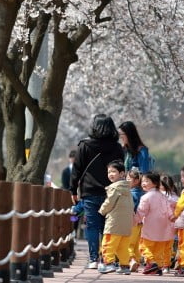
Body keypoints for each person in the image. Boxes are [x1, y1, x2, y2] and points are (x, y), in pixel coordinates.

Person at [69, 114, 124, 269]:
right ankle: (108, 258)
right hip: (112, 192)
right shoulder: (117, 147)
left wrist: (73, 190)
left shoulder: (84, 145)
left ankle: (94, 259)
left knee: (92, 226)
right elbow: (121, 170)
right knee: (109, 226)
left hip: (90, 192)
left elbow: (76, 170)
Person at [97, 161, 134, 274]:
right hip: (126, 223)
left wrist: (102, 211)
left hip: (114, 222)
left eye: (113, 171)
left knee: (108, 243)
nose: (110, 174)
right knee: (122, 246)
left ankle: (108, 263)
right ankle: (124, 266)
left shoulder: (114, 188)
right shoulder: (127, 188)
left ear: (122, 174)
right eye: (109, 172)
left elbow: (109, 202)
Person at [136, 172, 174, 276]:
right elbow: (169, 210)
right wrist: (172, 218)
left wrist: (135, 220)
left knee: (144, 246)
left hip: (150, 227)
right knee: (158, 249)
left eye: (146, 181)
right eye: (143, 181)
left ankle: (152, 263)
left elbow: (141, 211)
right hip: (163, 228)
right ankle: (157, 267)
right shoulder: (163, 196)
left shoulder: (146, 197)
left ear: (155, 183)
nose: (143, 183)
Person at [159, 173, 179, 272]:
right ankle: (166, 265)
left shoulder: (158, 196)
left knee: (158, 246)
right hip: (172, 226)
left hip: (159, 225)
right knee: (168, 247)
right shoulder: (175, 198)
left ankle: (159, 264)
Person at [127, 167, 145, 272]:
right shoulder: (143, 193)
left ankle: (131, 259)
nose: (127, 181)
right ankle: (136, 263)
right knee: (137, 244)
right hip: (141, 223)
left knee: (129, 243)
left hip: (132, 222)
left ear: (136, 181)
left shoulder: (132, 194)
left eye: (129, 179)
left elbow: (131, 208)